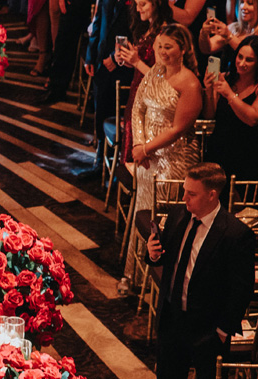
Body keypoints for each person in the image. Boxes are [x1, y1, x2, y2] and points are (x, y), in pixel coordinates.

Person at [138, 162, 256, 379]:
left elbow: (241, 290)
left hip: (207, 330)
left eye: (191, 194)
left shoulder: (236, 234)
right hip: (174, 319)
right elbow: (161, 254)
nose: (184, 199)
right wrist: (151, 254)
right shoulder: (179, 215)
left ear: (212, 195)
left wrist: (221, 330)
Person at [121, 23, 203, 294]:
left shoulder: (190, 82)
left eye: (168, 47)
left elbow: (178, 129)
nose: (162, 52)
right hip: (147, 159)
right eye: (159, 46)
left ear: (182, 49)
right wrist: (139, 143)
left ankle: (163, 281)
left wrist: (146, 149)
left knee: (163, 218)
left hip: (174, 161)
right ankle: (136, 275)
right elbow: (138, 108)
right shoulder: (154, 72)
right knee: (143, 210)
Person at [204, 35, 258, 178]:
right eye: (240, 57)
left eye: (249, 60)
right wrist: (208, 90)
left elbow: (253, 118)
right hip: (218, 152)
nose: (242, 63)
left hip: (247, 157)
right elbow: (209, 115)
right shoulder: (226, 78)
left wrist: (229, 94)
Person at [76, 0, 132, 180]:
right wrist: (91, 57)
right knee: (100, 110)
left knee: (115, 112)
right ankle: (99, 163)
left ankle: (116, 167)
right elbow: (98, 20)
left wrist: (115, 59)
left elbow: (138, 33)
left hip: (125, 66)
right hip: (102, 60)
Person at [116, 0, 175, 162]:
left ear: (157, 4)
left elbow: (161, 79)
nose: (138, 8)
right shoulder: (148, 28)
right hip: (138, 94)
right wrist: (128, 59)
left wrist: (136, 62)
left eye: (143, 4)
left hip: (150, 102)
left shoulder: (163, 34)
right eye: (136, 4)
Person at [200, 0, 258, 65]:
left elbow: (256, 56)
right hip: (229, 82)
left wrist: (229, 37)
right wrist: (204, 34)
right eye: (242, 2)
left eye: (249, 3)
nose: (243, 7)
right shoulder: (234, 28)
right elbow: (207, 49)